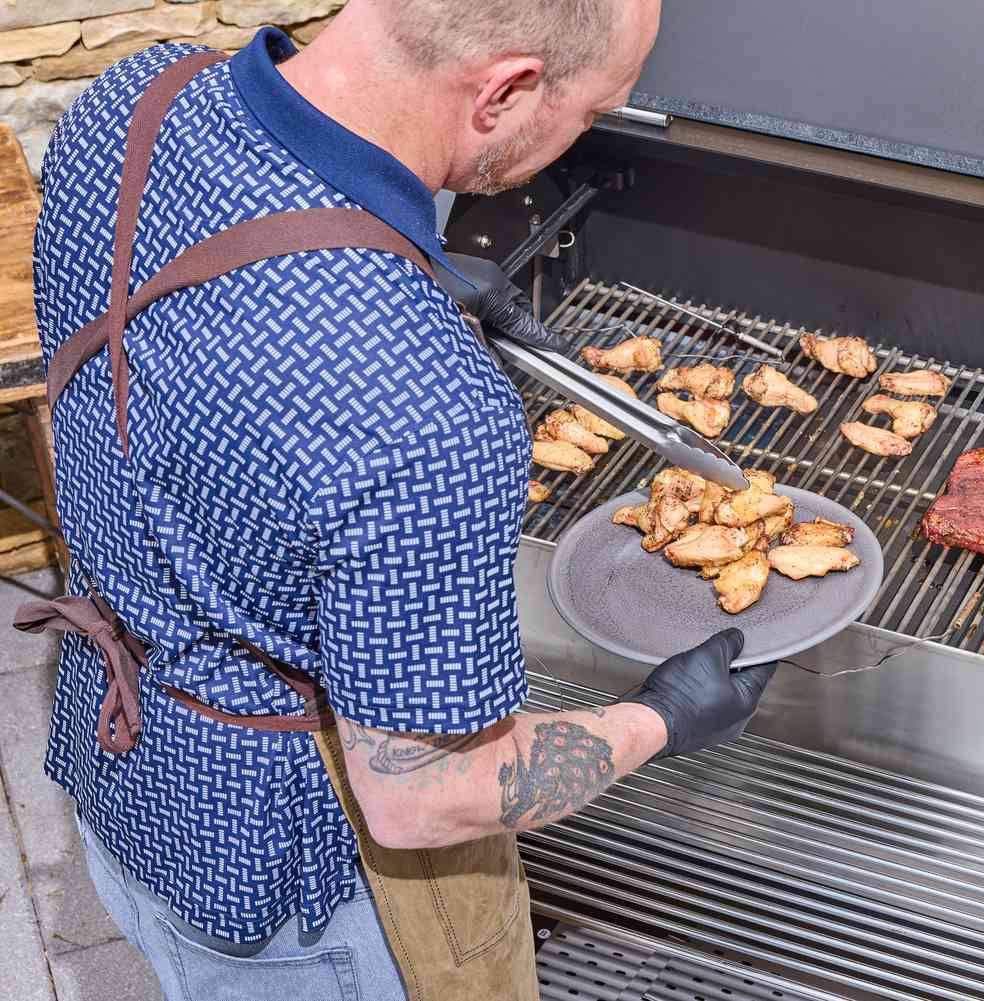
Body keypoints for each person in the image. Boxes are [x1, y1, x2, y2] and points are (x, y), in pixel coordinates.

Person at [25, 1, 775, 999]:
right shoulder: (422, 409)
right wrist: (660, 720)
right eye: (591, 113)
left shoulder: (129, 97)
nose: (579, 138)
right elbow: (424, 799)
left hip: (119, 771)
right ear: (504, 90)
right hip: (287, 895)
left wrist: (393, 258)